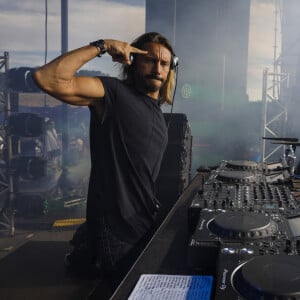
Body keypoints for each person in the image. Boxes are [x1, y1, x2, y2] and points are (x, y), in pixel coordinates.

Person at [33, 32, 177, 291]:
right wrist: (103, 45)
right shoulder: (113, 92)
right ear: (132, 60)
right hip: (118, 232)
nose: (157, 68)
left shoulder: (155, 109)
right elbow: (47, 78)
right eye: (150, 60)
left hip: (142, 223)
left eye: (164, 63)